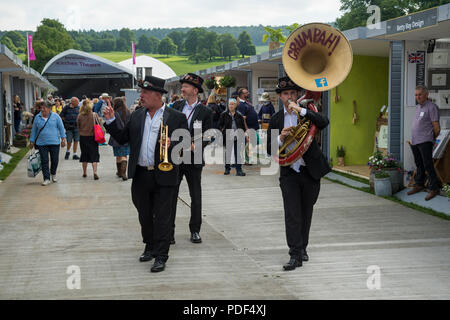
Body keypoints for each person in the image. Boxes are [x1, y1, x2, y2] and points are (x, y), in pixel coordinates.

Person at [103, 75, 188, 273]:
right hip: (141, 174)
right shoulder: (137, 115)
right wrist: (111, 121)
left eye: (145, 92)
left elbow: (185, 143)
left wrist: (173, 144)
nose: (141, 96)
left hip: (165, 175)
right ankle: (149, 246)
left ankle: (161, 255)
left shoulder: (176, 117)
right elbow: (123, 138)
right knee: (144, 215)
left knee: (163, 217)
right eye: (141, 92)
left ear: (158, 95)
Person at [267, 76, 331, 271]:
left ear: (297, 95)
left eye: (293, 93)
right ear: (280, 97)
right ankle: (294, 254)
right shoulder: (277, 118)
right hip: (289, 173)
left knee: (306, 212)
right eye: (285, 94)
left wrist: (302, 109)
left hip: (310, 171)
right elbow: (269, 148)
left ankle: (302, 247)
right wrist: (280, 138)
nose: (289, 97)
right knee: (292, 214)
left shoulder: (307, 112)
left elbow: (324, 122)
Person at [171, 73, 213, 245]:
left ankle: (195, 230)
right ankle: (169, 231)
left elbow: (210, 134)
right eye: (182, 86)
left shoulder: (206, 111)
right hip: (175, 157)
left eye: (186, 86)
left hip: (194, 159)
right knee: (171, 194)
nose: (182, 88)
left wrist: (199, 145)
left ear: (195, 90)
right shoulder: (176, 106)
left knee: (195, 196)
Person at [407, 85, 441, 201]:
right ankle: (419, 184)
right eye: (416, 95)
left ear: (427, 95)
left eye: (420, 94)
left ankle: (434, 188)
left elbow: (436, 127)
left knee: (428, 164)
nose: (418, 97)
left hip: (425, 141)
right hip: (415, 140)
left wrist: (430, 139)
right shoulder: (418, 107)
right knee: (419, 164)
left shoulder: (432, 107)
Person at [29, 101, 66, 186]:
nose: (42, 109)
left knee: (55, 160)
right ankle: (46, 178)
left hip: (54, 142)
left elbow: (61, 128)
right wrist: (31, 141)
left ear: (49, 109)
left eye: (44, 108)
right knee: (44, 161)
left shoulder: (56, 117)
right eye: (41, 108)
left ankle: (53, 173)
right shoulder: (37, 117)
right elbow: (34, 130)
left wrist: (63, 140)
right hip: (41, 143)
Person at [218, 98, 248, 176]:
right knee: (228, 153)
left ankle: (239, 170)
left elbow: (242, 126)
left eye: (232, 104)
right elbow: (220, 125)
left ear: (235, 105)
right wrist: (223, 131)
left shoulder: (239, 115)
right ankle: (227, 169)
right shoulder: (224, 114)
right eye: (229, 104)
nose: (230, 106)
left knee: (238, 153)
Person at [77, 99, 101, 180]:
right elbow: (99, 125)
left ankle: (84, 172)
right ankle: (95, 172)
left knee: (84, 154)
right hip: (93, 137)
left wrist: (82, 132)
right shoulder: (94, 115)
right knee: (94, 154)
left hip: (83, 137)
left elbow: (78, 127)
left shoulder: (80, 116)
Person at [108, 97, 131, 181]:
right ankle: (124, 172)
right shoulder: (128, 112)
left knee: (118, 156)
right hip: (125, 136)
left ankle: (119, 172)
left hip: (116, 137)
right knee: (124, 156)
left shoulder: (114, 112)